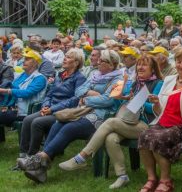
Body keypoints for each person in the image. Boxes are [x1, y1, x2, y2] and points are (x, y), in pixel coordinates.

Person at [17, 50, 123, 183]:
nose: (99, 63)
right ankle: (40, 169)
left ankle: (37, 162)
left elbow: (108, 101)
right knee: (58, 124)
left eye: (103, 61)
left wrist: (86, 99)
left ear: (112, 65)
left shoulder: (118, 79)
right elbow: (78, 91)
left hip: (101, 117)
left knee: (69, 128)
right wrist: (92, 93)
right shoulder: (95, 75)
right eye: (100, 60)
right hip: (83, 112)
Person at [59, 55, 163, 189]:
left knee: (110, 122)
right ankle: (122, 176)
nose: (140, 67)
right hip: (129, 121)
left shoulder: (158, 83)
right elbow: (122, 104)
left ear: (153, 69)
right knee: (110, 138)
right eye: (139, 64)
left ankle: (82, 157)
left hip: (147, 125)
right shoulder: (135, 83)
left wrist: (140, 102)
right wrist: (121, 97)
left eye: (145, 65)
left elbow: (156, 109)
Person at [138, 48, 182, 192]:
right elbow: (160, 111)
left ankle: (166, 181)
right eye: (178, 61)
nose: (181, 65)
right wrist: (157, 102)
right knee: (144, 136)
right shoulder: (169, 79)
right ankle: (151, 178)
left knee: (158, 138)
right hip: (164, 121)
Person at [19, 49, 86, 158]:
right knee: (27, 120)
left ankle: (32, 157)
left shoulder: (80, 78)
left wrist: (52, 109)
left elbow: (75, 100)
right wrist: (46, 105)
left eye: (68, 57)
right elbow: (49, 94)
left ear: (76, 63)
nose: (64, 59)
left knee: (37, 122)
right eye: (65, 56)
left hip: (64, 113)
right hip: (50, 109)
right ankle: (22, 155)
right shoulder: (60, 75)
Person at [0, 50, 47, 126]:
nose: (24, 61)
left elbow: (27, 93)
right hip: (12, 109)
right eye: (24, 59)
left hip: (26, 112)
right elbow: (13, 87)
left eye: (27, 59)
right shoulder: (22, 75)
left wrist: (5, 91)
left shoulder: (40, 78)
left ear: (35, 63)